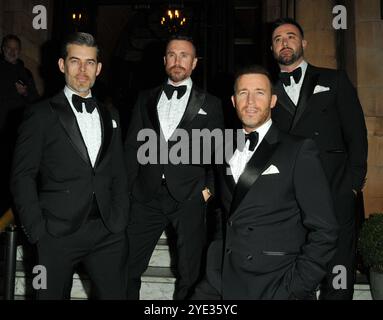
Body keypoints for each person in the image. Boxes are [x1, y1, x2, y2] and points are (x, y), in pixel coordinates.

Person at [192, 65, 338, 300]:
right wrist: (215, 259)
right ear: (233, 100)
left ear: (272, 100)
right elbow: (226, 211)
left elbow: (325, 229)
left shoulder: (298, 149)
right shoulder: (224, 148)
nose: (250, 101)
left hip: (276, 283)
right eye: (243, 93)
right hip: (222, 279)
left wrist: (296, 287)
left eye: (259, 92)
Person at [10, 32, 129, 299]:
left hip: (108, 231)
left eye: (90, 63)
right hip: (55, 232)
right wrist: (38, 231)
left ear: (98, 69)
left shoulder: (112, 115)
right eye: (75, 61)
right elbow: (22, 176)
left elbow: (119, 172)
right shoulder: (39, 115)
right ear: (62, 65)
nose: (83, 70)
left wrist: (121, 219)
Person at [270, 18, 368, 300]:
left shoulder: (334, 80)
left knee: (337, 269)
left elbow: (357, 135)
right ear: (272, 48)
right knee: (294, 268)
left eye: (290, 36)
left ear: (303, 43)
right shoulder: (264, 91)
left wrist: (351, 186)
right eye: (278, 39)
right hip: (287, 197)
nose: (284, 42)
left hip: (334, 189)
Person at [124, 35, 224, 300]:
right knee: (127, 266)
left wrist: (208, 191)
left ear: (194, 63)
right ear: (164, 60)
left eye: (184, 56)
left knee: (190, 273)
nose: (177, 61)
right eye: (172, 54)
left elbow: (219, 154)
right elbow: (132, 148)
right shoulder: (145, 98)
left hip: (190, 196)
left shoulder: (211, 104)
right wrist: (129, 190)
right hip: (146, 196)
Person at [0, 34, 39, 219]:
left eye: (16, 48)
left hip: (19, 134)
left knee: (16, 175)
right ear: (3, 49)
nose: (13, 52)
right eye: (9, 48)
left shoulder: (25, 72)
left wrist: (25, 93)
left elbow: (35, 101)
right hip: (1, 131)